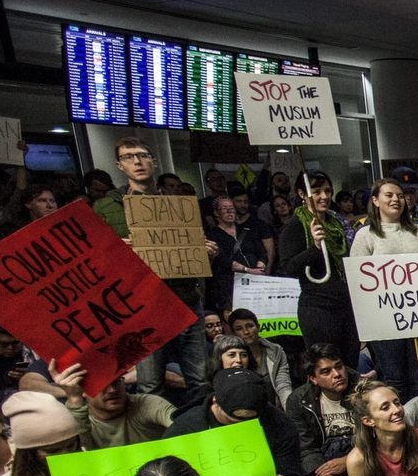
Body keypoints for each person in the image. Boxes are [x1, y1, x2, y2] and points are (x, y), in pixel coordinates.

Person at [91, 137, 210, 400]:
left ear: (153, 162)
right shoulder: (107, 207)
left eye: (143, 155)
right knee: (150, 383)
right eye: (129, 157)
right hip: (141, 306)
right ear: (119, 165)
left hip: (184, 299)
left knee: (200, 381)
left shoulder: (178, 204)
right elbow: (96, 258)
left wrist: (206, 250)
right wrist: (116, 249)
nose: (137, 161)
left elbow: (192, 247)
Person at [350, 177, 418, 401]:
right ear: (375, 200)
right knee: (394, 378)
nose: (396, 200)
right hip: (384, 322)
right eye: (389, 195)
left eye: (400, 195)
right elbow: (358, 284)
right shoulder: (365, 235)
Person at [163, 369, 301, 476]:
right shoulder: (184, 429)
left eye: (251, 422)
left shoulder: (280, 424)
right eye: (235, 421)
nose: (243, 427)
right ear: (215, 402)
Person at [280, 172, 358, 370]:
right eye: (316, 191)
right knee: (327, 367)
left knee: (349, 365)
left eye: (328, 191)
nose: (324, 196)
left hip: (345, 305)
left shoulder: (336, 222)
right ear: (302, 194)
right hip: (318, 308)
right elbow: (288, 268)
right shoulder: (295, 225)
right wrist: (315, 247)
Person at [286, 342, 357, 476]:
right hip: (323, 460)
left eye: (339, 367)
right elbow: (305, 446)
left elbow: (380, 437)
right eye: (326, 372)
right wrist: (324, 472)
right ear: (313, 378)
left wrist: (348, 461)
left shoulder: (363, 390)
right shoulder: (299, 400)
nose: (337, 374)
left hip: (361, 455)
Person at [205, 194, 267, 312]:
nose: (229, 211)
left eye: (231, 208)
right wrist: (248, 270)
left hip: (254, 281)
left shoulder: (247, 230)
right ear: (216, 213)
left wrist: (261, 265)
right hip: (230, 284)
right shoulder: (212, 234)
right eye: (224, 208)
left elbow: (261, 251)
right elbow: (221, 259)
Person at [226, 308, 292, 405]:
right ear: (233, 333)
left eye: (250, 326)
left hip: (276, 409)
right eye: (239, 329)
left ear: (258, 327)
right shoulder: (232, 358)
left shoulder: (276, 351)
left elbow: (283, 384)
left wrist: (290, 410)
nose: (246, 332)